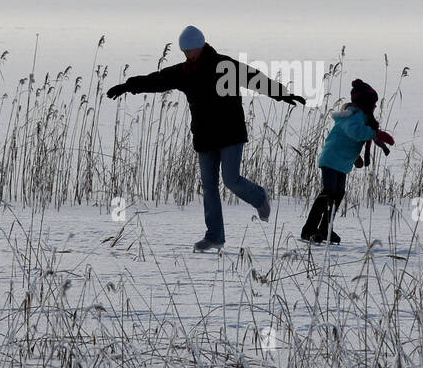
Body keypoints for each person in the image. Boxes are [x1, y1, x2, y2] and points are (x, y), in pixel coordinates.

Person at [106, 25, 306, 251]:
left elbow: (254, 78)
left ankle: (260, 198)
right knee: (209, 187)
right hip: (204, 137)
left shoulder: (224, 65)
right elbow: (157, 80)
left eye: (191, 50)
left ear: (201, 46)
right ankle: (214, 237)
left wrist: (282, 94)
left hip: (230, 133)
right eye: (184, 51)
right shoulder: (184, 72)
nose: (188, 55)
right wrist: (128, 86)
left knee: (231, 180)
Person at [301, 79, 395, 244]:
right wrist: (375, 134)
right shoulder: (352, 115)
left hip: (341, 162)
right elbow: (356, 133)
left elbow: (347, 140)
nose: (375, 107)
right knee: (328, 192)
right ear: (364, 103)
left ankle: (325, 229)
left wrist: (355, 157)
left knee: (337, 194)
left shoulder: (361, 116)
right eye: (372, 103)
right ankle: (309, 230)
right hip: (331, 160)